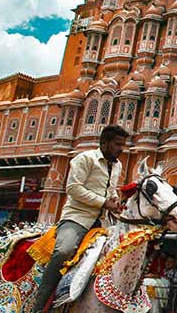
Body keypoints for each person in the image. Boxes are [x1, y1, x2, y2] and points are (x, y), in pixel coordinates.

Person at [31, 125, 127, 313]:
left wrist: (114, 201)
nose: (121, 149)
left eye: (123, 145)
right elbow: (73, 188)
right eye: (117, 144)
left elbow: (109, 190)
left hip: (102, 222)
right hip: (77, 219)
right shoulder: (84, 159)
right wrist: (103, 202)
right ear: (104, 143)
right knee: (63, 251)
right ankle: (39, 307)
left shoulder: (117, 165)